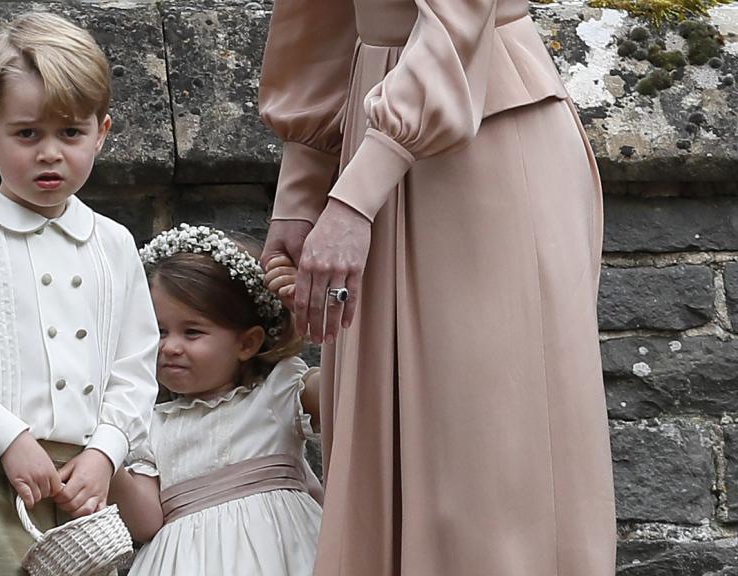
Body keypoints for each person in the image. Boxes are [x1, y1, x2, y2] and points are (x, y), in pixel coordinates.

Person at [258, 0, 617, 574]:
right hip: (373, 147)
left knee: (488, 466)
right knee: (385, 463)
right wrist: (303, 188)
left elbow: (459, 17)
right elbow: (317, 16)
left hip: (484, 141)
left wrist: (355, 196)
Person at [0, 13, 159, 575]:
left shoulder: (114, 244)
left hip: (86, 481)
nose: (49, 153)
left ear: (102, 133)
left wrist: (106, 452)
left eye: (70, 133)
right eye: (27, 133)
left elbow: (135, 366)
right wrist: (7, 437)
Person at [108, 224, 324, 575]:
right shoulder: (148, 424)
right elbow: (146, 522)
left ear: (247, 343)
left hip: (280, 556)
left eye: (192, 332)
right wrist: (107, 456)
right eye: (158, 331)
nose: (170, 347)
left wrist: (318, 318)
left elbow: (347, 400)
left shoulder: (279, 392)